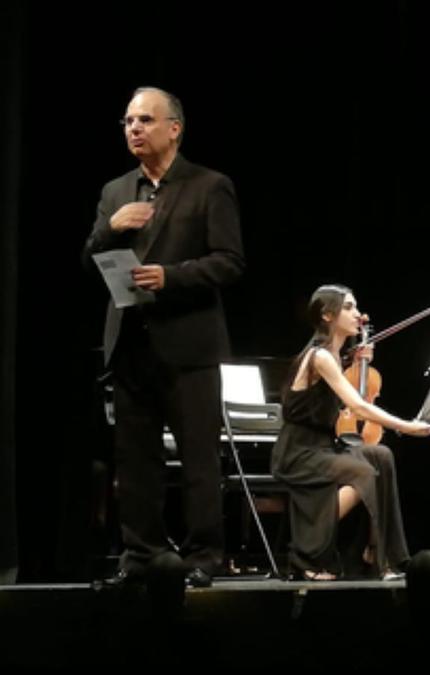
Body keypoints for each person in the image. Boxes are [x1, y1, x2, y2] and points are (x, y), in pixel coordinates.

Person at [83, 87, 244, 588]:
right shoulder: (115, 191)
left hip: (189, 346)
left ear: (174, 128)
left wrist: (170, 277)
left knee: (198, 459)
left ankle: (202, 558)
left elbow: (230, 262)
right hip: (131, 345)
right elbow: (89, 259)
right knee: (136, 464)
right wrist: (110, 230)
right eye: (128, 120)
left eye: (145, 120)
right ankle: (141, 556)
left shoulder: (208, 186)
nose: (133, 129)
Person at [271, 285, 430, 580]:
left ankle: (384, 557)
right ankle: (304, 556)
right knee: (363, 472)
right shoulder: (320, 357)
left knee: (381, 455)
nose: (358, 315)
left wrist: (356, 361)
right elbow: (358, 407)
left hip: (323, 447)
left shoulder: (336, 357)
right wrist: (406, 426)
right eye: (349, 307)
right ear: (327, 315)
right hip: (299, 452)